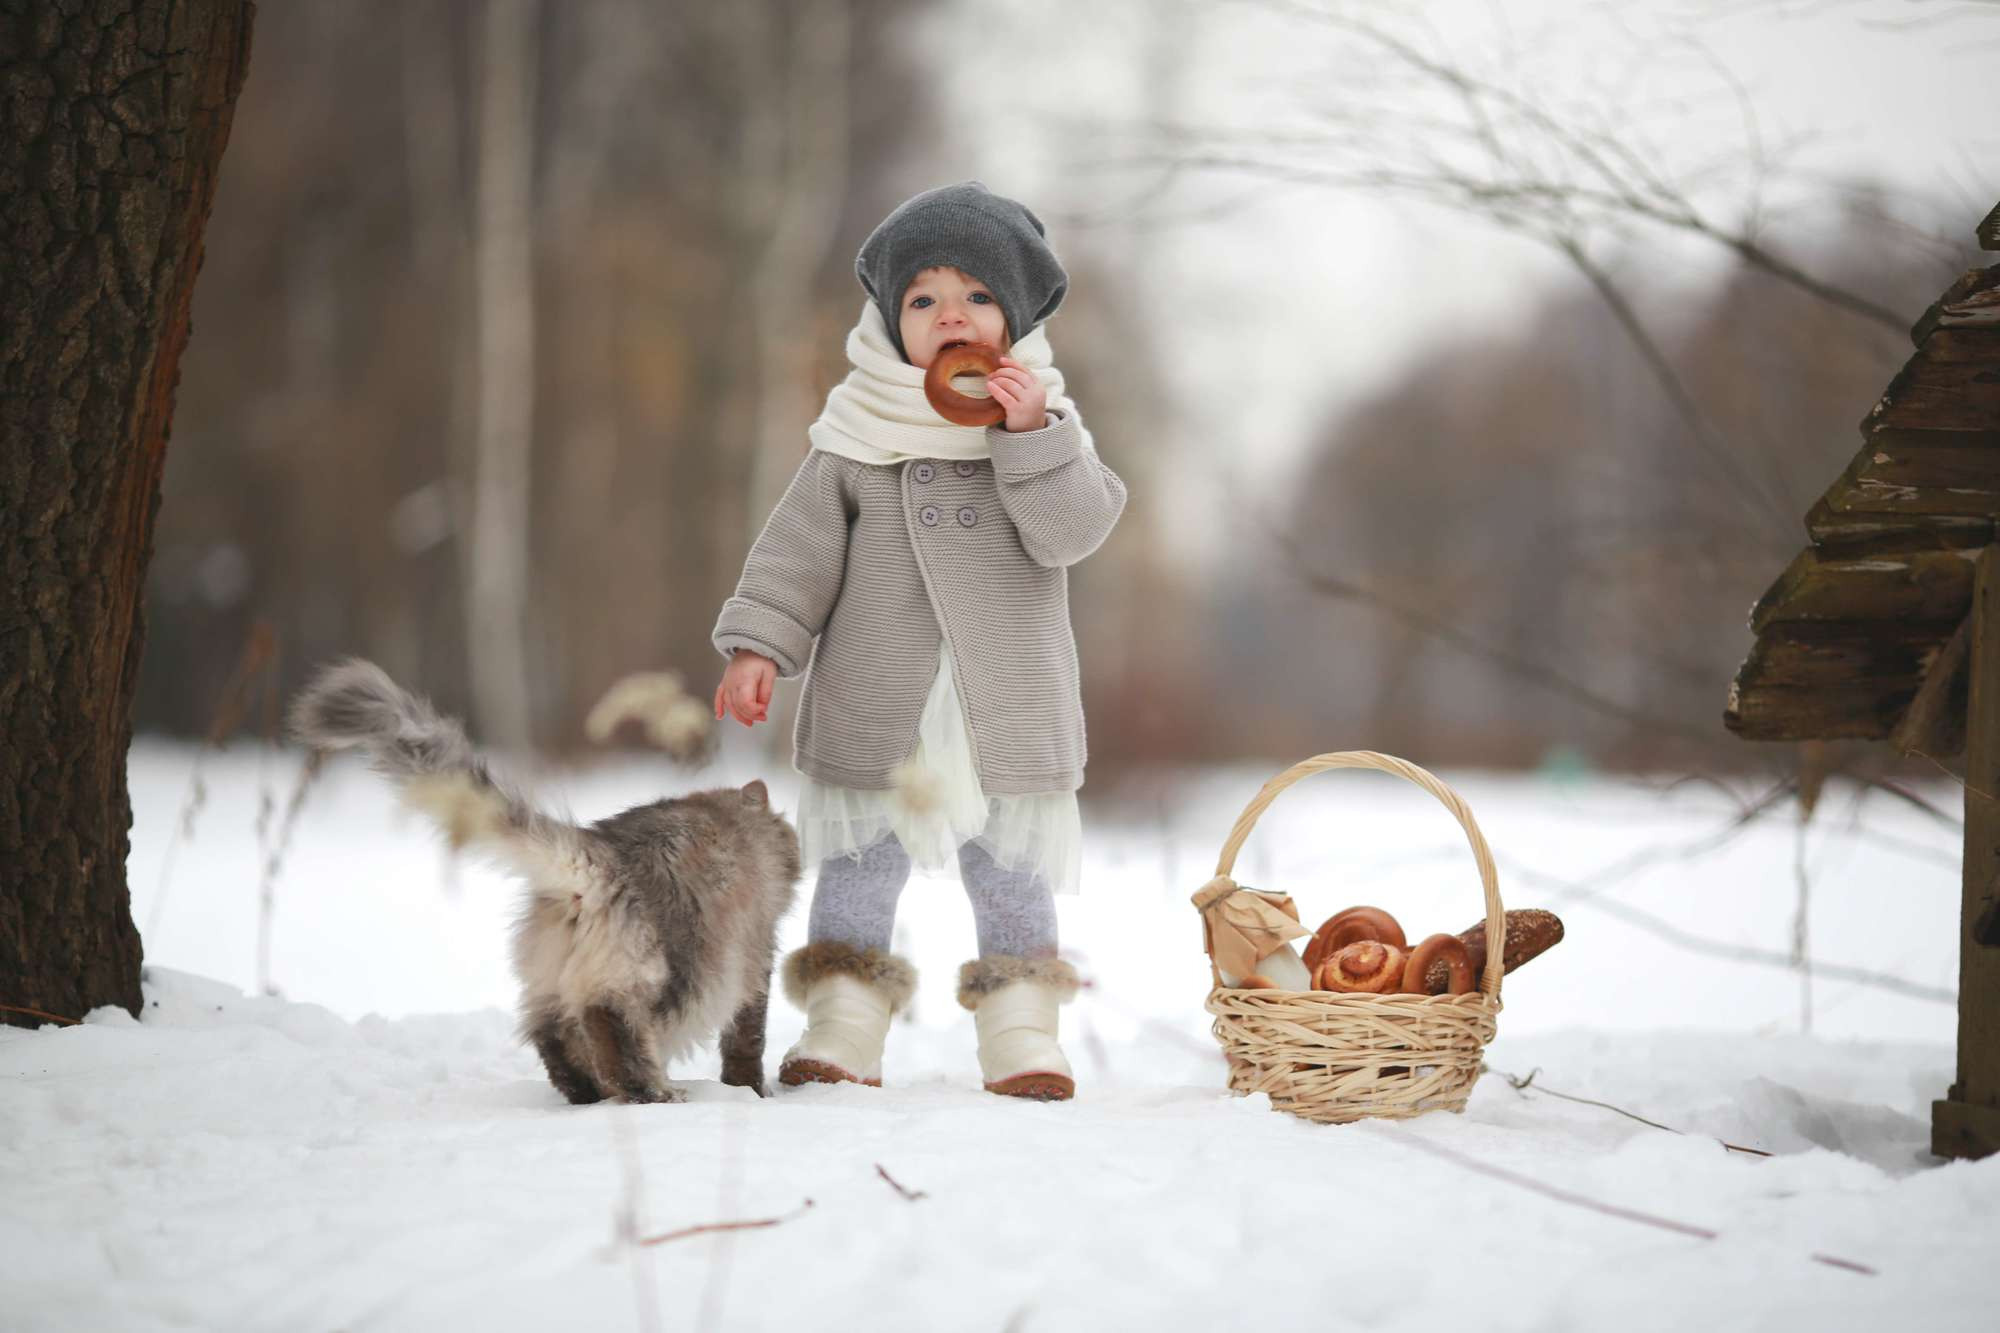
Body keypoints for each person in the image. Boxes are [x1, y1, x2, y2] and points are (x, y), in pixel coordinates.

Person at [711, 182, 1126, 1100]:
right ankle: (843, 1021)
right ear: (890, 320)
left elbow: (1072, 533)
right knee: (859, 871)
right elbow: (798, 554)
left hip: (1001, 705)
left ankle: (1022, 1028)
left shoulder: (1047, 425)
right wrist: (757, 646)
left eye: (978, 297)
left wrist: (1029, 437)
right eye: (924, 300)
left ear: (1015, 318)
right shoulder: (857, 435)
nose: (952, 317)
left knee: (1013, 874)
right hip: (881, 696)